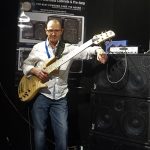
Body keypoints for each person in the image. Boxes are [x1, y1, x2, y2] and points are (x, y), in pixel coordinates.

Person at [22, 19, 108, 150]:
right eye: (50, 30)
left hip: (60, 98)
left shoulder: (69, 49)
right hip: (40, 95)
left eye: (56, 30)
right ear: (46, 31)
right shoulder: (38, 48)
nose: (53, 33)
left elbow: (87, 51)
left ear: (61, 31)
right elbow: (25, 65)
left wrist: (99, 51)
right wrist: (35, 70)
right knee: (39, 133)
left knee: (62, 134)